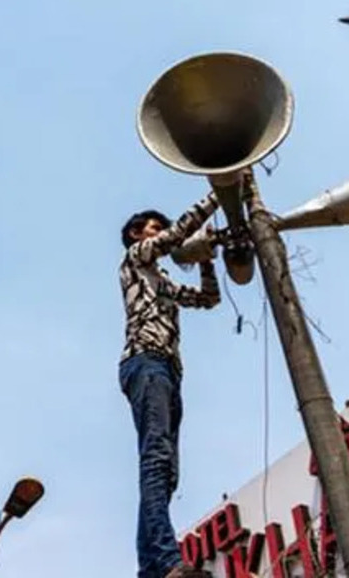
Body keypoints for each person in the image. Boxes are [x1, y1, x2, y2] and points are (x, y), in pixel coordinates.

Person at [118, 191, 222, 578]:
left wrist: (207, 260)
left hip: (165, 370)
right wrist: (218, 194)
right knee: (157, 461)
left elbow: (209, 299)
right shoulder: (134, 259)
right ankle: (164, 561)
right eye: (152, 228)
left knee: (165, 470)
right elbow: (175, 236)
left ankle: (153, 569)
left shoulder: (159, 282)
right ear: (135, 234)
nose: (159, 233)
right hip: (146, 363)